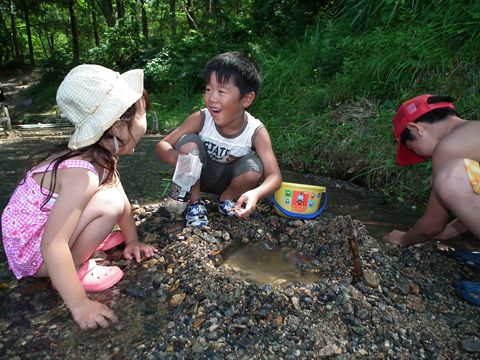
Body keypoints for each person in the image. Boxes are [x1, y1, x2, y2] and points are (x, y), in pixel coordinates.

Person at [1, 64, 158, 330]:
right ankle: (71, 269)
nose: (146, 117)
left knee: (112, 197)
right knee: (108, 205)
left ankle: (78, 250)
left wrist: (132, 241)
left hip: (37, 235)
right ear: (119, 127)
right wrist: (79, 304)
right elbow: (52, 245)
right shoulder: (82, 174)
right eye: (142, 112)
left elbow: (121, 194)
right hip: (34, 253)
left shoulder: (100, 155)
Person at [156, 51, 282, 227]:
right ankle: (195, 202)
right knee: (190, 144)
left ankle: (226, 199)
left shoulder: (256, 131)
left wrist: (256, 193)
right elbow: (163, 145)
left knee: (254, 169)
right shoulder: (201, 118)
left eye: (221, 91)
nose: (212, 97)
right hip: (198, 177)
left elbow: (275, 177)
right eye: (208, 89)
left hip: (228, 181)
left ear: (246, 98)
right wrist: (181, 160)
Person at [383, 94, 480, 247]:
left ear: (416, 129)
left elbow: (432, 225)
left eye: (411, 148)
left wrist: (403, 239)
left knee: (451, 176)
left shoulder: (449, 147)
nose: (421, 156)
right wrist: (447, 233)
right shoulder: (473, 130)